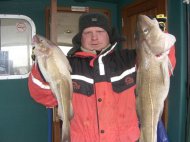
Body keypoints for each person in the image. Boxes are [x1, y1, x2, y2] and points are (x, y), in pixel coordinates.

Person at [28, 13, 176, 142]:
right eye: (88, 32)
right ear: (81, 38)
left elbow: (161, 69)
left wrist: (159, 35)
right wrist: (42, 67)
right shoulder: (68, 65)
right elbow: (43, 95)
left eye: (100, 31)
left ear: (109, 35)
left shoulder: (130, 59)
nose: (94, 37)